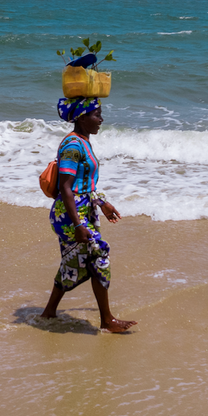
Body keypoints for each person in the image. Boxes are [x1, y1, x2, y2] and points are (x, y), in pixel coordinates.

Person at [39, 96, 137, 333]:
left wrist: (102, 203)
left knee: (75, 261)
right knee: (98, 254)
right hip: (71, 217)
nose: (101, 120)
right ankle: (107, 320)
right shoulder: (73, 146)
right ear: (82, 118)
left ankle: (49, 312)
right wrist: (78, 224)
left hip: (82, 212)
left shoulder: (83, 141)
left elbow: (85, 185)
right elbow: (65, 187)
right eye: (97, 115)